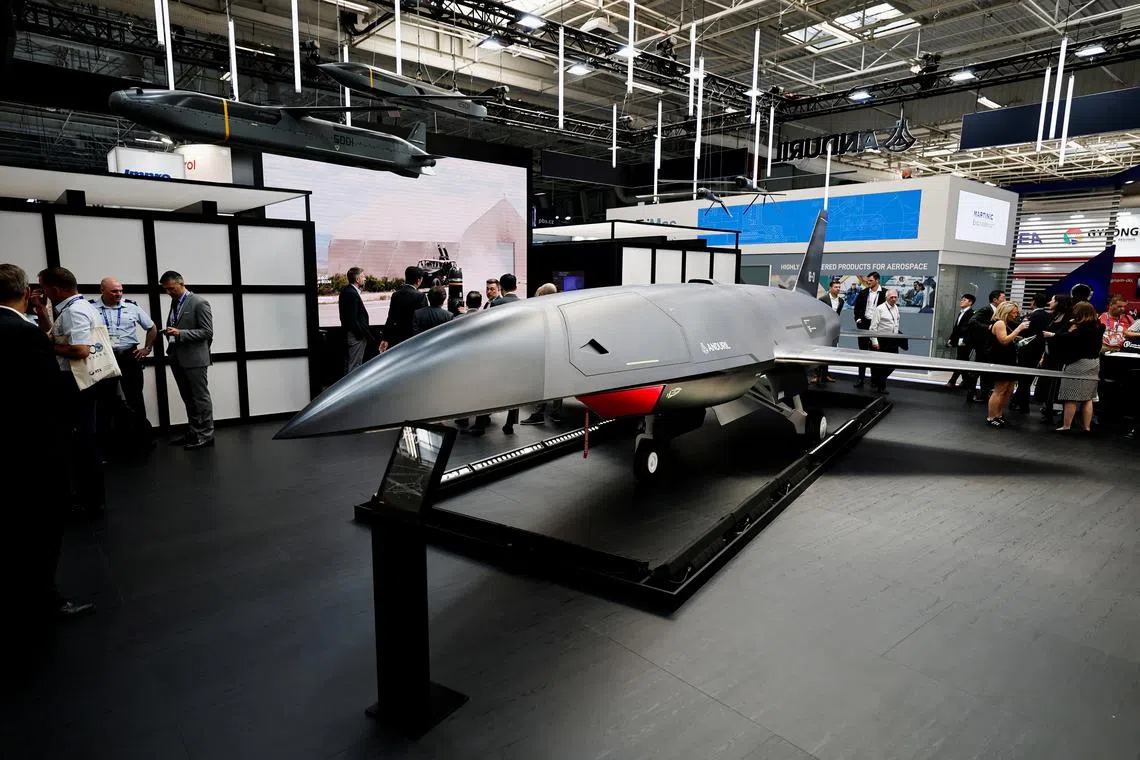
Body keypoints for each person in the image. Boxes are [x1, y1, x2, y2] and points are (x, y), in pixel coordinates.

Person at [1, 264, 94, 644]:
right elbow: (48, 391)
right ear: (26, 291)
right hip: (34, 445)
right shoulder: (23, 333)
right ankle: (43, 601)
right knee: (41, 528)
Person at [34, 266, 107, 514]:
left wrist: (48, 350)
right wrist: (41, 311)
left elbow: (80, 350)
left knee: (82, 441)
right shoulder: (80, 307)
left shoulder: (74, 312)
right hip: (80, 381)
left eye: (44, 287)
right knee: (82, 439)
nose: (44, 292)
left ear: (54, 288)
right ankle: (89, 497)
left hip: (74, 382)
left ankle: (90, 500)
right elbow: (55, 335)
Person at [91, 277, 157, 451]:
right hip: (104, 357)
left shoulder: (132, 307)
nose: (118, 294)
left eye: (120, 290)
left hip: (129, 356)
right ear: (102, 290)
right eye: (114, 291)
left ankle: (143, 440)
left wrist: (147, 348)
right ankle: (107, 444)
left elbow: (152, 327)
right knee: (104, 400)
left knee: (135, 397)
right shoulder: (91, 308)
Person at [160, 271, 215, 450]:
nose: (169, 292)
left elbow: (207, 332)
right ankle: (194, 431)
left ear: (182, 283)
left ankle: (206, 434)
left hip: (195, 358)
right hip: (177, 356)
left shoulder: (199, 302)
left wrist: (180, 333)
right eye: (166, 290)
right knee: (188, 397)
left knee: (200, 398)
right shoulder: (175, 302)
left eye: (171, 288)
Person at [1045, 301, 1105, 433]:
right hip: (1094, 363)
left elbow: (1067, 338)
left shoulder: (1081, 329)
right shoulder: (1100, 327)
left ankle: (1066, 425)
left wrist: (1053, 334)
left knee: (1070, 396)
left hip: (1078, 364)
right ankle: (1087, 427)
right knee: (1088, 397)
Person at [521, 283, 564, 425]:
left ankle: (538, 414)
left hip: (547, 351)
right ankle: (556, 413)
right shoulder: (561, 306)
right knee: (558, 383)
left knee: (544, 382)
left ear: (543, 294)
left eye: (539, 292)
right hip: (560, 350)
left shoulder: (543, 309)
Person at [984, 302, 1029, 428]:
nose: (1016, 315)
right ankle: (991, 417)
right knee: (1000, 389)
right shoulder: (999, 323)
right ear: (1006, 312)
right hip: (1000, 359)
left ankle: (998, 414)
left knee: (1008, 389)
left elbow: (1009, 338)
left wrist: (1016, 337)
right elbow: (1003, 340)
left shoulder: (1006, 324)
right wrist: (1018, 329)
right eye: (1013, 312)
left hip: (1009, 358)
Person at [489, 273, 521, 432]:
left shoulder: (497, 304)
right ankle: (510, 423)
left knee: (489, 386)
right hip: (516, 352)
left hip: (499, 352)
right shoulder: (524, 304)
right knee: (515, 388)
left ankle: (482, 421)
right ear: (516, 286)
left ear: (501, 287)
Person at [1009, 293, 1052, 413]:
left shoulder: (1031, 316)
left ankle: (1021, 403)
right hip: (1039, 350)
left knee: (1023, 378)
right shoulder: (1048, 316)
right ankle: (1019, 402)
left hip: (1027, 350)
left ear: (1034, 302)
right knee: (1028, 378)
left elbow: (1025, 331)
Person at [1037, 294, 1073, 423]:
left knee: (1057, 385)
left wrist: (1052, 335)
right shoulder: (1054, 316)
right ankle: (1047, 410)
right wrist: (1043, 355)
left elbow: (1068, 337)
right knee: (1047, 383)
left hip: (1061, 356)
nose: (1050, 302)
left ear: (1059, 302)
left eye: (1052, 300)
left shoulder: (1070, 318)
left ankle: (1063, 414)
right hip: (1049, 354)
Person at [965, 289, 1006, 403]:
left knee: (987, 372)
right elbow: (972, 321)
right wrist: (987, 327)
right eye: (1003, 298)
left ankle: (984, 394)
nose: (1005, 300)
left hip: (990, 347)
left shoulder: (999, 312)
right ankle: (971, 394)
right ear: (995, 300)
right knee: (976, 371)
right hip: (982, 346)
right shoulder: (986, 309)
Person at [380, 266, 426, 352]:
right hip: (414, 338)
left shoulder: (395, 295)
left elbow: (390, 318)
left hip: (398, 337)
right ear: (418, 280)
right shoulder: (420, 296)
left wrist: (385, 338)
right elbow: (423, 319)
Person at [851, 271, 883, 388]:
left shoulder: (884, 293)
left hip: (877, 326)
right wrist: (859, 320)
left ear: (877, 280)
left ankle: (874, 381)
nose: (868, 282)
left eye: (871, 281)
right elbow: (857, 308)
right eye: (868, 280)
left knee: (876, 354)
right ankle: (860, 379)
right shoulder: (863, 292)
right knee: (862, 353)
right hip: (864, 324)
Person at [868, 289, 901, 394]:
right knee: (882, 364)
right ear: (887, 297)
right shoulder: (880, 309)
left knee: (894, 363)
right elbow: (873, 327)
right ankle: (881, 386)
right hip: (882, 340)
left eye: (895, 297)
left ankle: (879, 380)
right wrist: (874, 341)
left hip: (892, 340)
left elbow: (896, 323)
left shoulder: (896, 308)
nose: (894, 299)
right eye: (891, 297)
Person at [339, 266, 371, 374]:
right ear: (357, 279)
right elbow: (351, 319)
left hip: (353, 335)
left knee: (352, 363)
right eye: (363, 276)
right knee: (354, 366)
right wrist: (360, 334)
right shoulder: (351, 294)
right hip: (355, 337)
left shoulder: (348, 291)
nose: (365, 278)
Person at [816, 279, 844, 383]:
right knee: (820, 352)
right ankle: (817, 375)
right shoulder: (823, 299)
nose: (838, 289)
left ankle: (826, 374)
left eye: (839, 287)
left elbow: (837, 315)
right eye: (836, 287)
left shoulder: (841, 301)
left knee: (829, 352)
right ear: (830, 288)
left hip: (833, 329)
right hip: (823, 329)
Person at [945, 294, 976, 388]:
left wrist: (965, 341)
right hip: (959, 341)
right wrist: (951, 339)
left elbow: (971, 330)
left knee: (960, 360)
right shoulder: (960, 313)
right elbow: (956, 328)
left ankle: (952, 381)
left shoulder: (972, 313)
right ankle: (967, 382)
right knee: (963, 361)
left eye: (964, 300)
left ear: (970, 302)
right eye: (961, 299)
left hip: (965, 342)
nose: (961, 301)